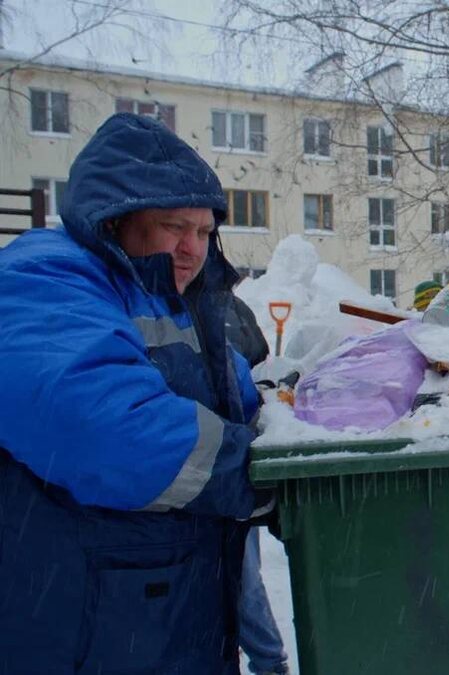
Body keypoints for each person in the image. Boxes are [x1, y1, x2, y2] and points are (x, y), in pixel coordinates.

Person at [0, 113, 267, 674]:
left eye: (202, 231)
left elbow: (240, 399)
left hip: (167, 625)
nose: (192, 248)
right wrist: (256, 474)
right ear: (117, 221)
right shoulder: (42, 278)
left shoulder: (179, 300)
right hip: (85, 629)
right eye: (174, 227)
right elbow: (101, 427)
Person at [226, 294, 291, 675]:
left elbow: (258, 364)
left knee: (240, 576)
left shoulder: (227, 307)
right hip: (215, 464)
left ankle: (269, 662)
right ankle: (268, 662)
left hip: (230, 463)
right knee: (239, 578)